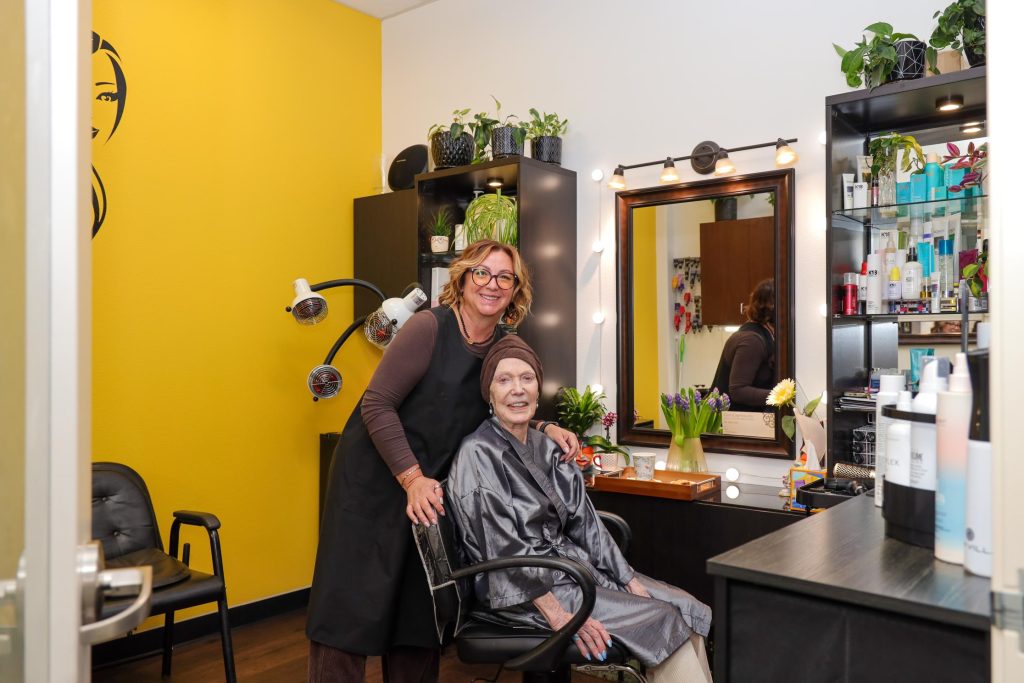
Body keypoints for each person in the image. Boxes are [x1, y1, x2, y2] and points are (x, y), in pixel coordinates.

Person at [306, 240, 580, 683]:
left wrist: (545, 427)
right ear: (463, 279)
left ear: (515, 290)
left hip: (430, 493)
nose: (492, 284)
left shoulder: (504, 344)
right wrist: (412, 478)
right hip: (373, 482)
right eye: (482, 273)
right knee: (347, 614)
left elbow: (502, 406)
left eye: (505, 277)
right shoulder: (428, 328)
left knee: (418, 618)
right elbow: (377, 405)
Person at [446, 335, 713, 683]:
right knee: (662, 619)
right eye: (504, 380)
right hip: (522, 591)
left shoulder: (547, 446)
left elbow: (586, 523)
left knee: (685, 606)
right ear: (489, 393)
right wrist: (560, 617)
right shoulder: (478, 453)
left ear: (538, 389)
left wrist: (627, 578)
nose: (517, 390)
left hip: (570, 571)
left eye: (526, 378)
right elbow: (503, 548)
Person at [711, 278, 776, 411]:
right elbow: (738, 390)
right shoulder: (752, 341)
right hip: (734, 421)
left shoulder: (759, 334)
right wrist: (780, 396)